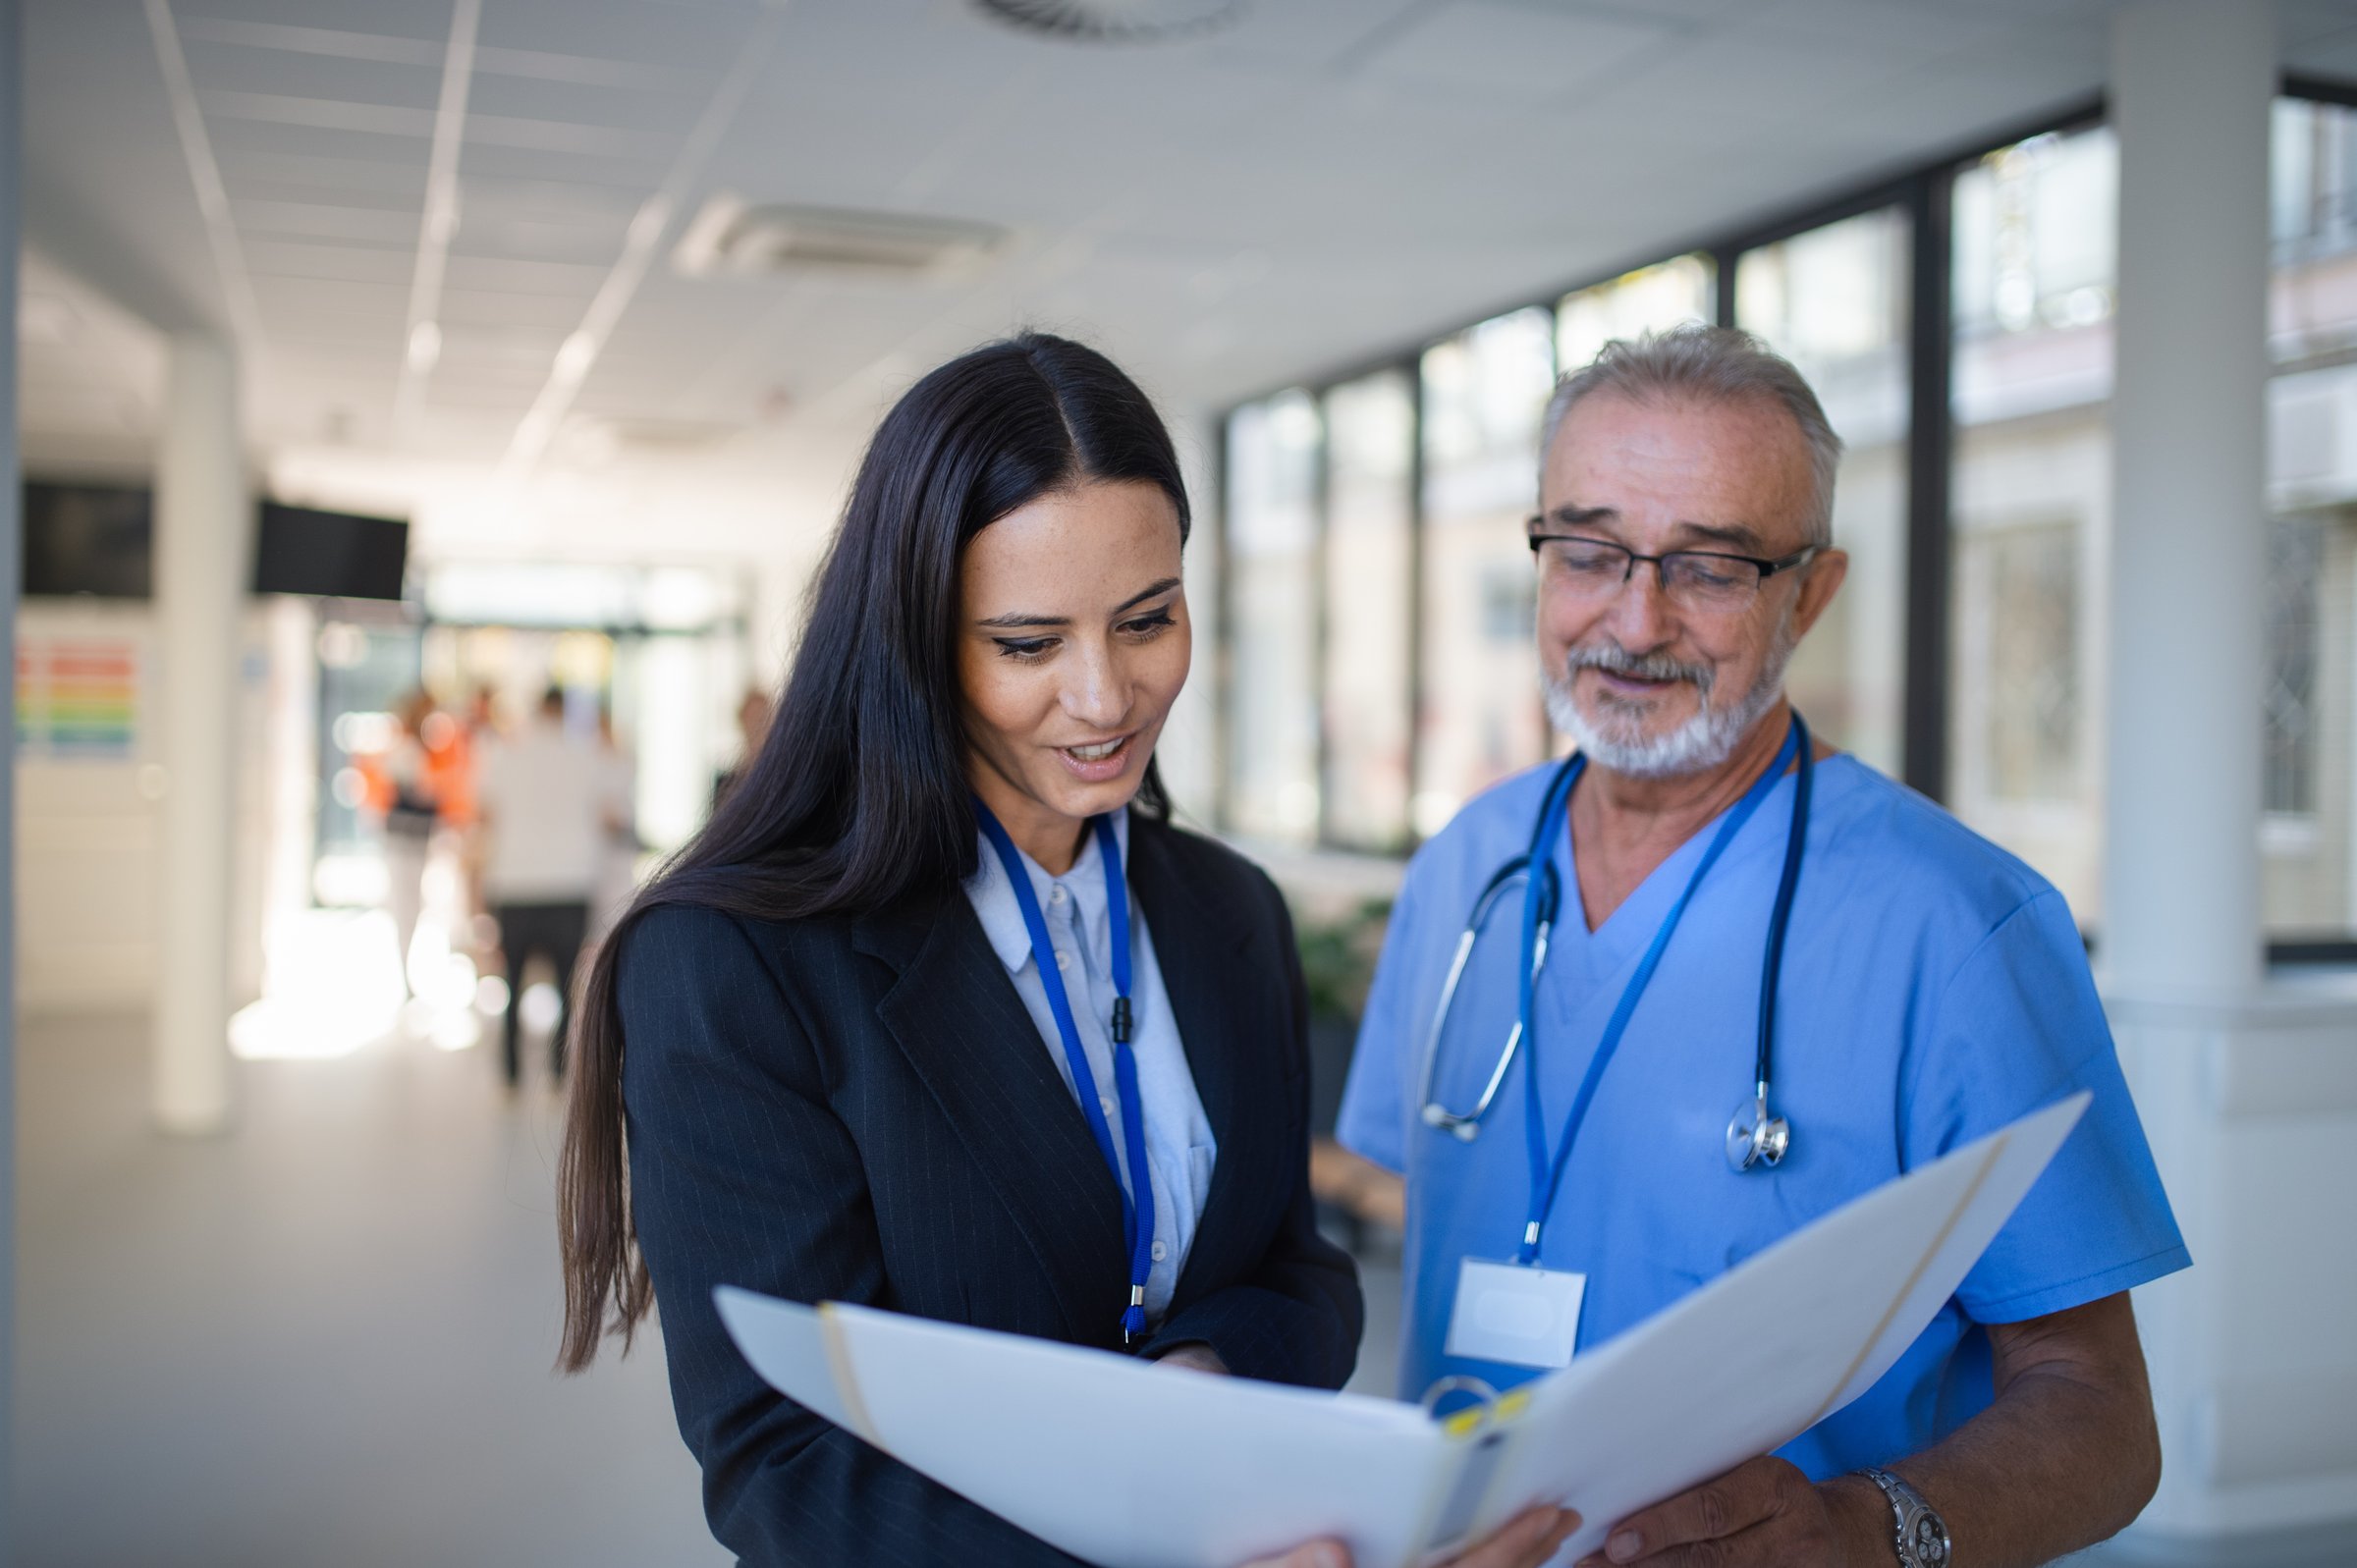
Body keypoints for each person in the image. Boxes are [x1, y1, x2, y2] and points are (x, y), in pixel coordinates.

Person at [554, 334, 1570, 1568]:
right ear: (917, 644)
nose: (1105, 697)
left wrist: (1199, 1377)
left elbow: (1301, 1273)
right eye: (1029, 645)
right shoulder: (738, 963)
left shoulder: (1227, 913)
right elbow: (782, 1458)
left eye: (1148, 620)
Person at [1338, 326, 2188, 1568]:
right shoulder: (1466, 867)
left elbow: (2103, 1416)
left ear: (1812, 591)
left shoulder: (1957, 926)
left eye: (1713, 567)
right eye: (1588, 551)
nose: (1635, 619)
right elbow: (1379, 1197)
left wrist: (1863, 1531)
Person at [476, 685, 608, 1086]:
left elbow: (487, 817)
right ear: (565, 711)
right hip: (570, 880)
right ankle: (558, 1068)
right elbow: (606, 812)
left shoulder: (503, 755)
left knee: (513, 983)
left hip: (514, 882)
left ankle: (511, 1070)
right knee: (566, 985)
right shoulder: (586, 757)